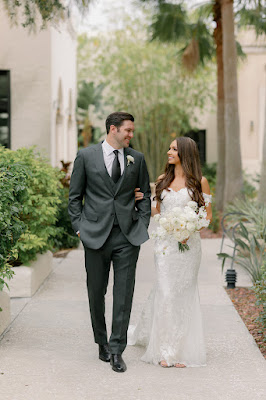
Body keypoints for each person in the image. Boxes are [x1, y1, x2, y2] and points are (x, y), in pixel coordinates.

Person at [68, 112, 151, 373]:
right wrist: (80, 228)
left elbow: (145, 194)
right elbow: (74, 197)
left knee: (124, 294)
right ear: (113, 129)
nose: (131, 135)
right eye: (127, 130)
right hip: (94, 235)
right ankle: (101, 342)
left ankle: (117, 350)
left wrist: (142, 223)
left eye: (132, 131)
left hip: (127, 236)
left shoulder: (136, 158)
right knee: (96, 292)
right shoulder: (85, 156)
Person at [130, 136, 212, 368]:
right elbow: (156, 211)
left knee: (183, 293)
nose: (169, 151)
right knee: (166, 291)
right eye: (169, 148)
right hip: (165, 245)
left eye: (174, 149)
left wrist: (189, 227)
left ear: (185, 153)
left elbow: (208, 216)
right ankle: (165, 350)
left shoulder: (200, 182)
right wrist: (168, 223)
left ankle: (180, 350)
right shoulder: (162, 180)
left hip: (189, 245)